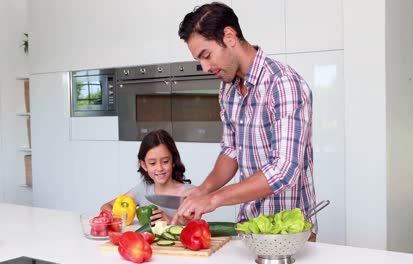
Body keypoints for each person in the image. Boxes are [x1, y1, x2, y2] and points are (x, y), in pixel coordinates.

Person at [172, 2, 317, 241]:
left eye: (206, 55)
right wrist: (202, 190)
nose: (206, 67)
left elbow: (284, 170)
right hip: (249, 228)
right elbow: (231, 152)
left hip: (290, 233)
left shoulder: (283, 84)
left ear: (229, 36)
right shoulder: (227, 91)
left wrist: (214, 199)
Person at [101, 129, 193, 224]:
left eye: (165, 161)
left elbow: (195, 228)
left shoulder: (190, 193)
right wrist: (115, 218)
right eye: (152, 163)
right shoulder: (142, 190)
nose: (160, 168)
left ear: (173, 161)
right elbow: (106, 206)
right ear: (144, 165)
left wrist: (170, 221)